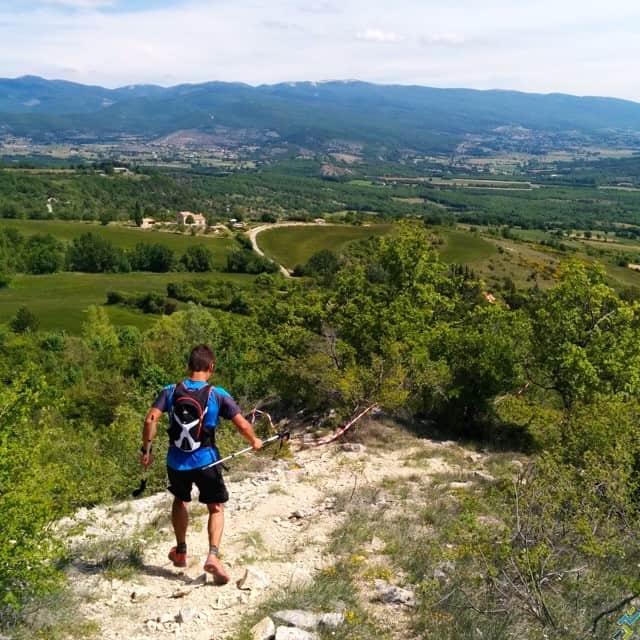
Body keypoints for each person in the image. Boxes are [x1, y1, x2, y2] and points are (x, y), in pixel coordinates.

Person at [140, 344, 262, 584]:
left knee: (180, 499)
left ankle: (181, 550)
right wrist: (254, 440)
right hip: (206, 461)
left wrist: (147, 450)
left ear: (189, 366)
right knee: (215, 506)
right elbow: (243, 425)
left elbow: (150, 418)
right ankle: (213, 556)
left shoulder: (171, 391)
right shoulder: (217, 394)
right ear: (211, 367)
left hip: (176, 461)